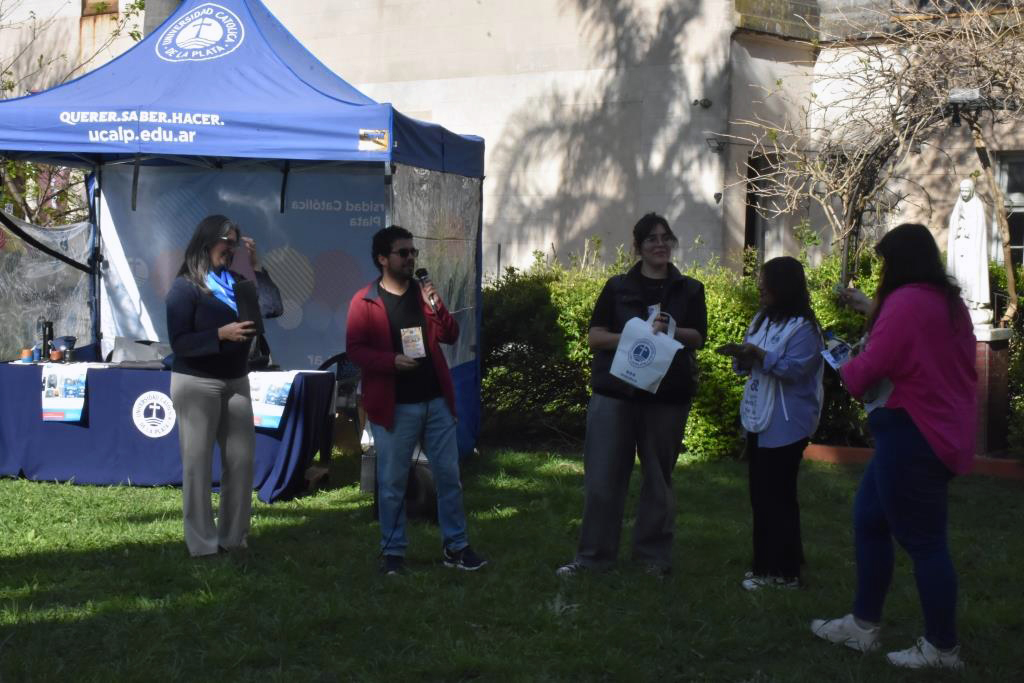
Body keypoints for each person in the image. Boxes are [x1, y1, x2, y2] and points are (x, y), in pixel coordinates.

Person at [812, 223, 976, 671]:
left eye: (884, 261)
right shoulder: (946, 302)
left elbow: (864, 373)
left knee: (924, 542)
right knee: (869, 519)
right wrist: (872, 312)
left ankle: (942, 648)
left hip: (912, 434)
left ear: (898, 263)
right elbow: (915, 345)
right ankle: (862, 626)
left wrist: (846, 364)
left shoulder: (906, 303)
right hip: (936, 429)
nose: (881, 270)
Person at [557, 212, 707, 578]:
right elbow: (595, 338)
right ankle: (593, 558)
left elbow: (699, 337)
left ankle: (652, 558)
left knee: (658, 479)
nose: (660, 244)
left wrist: (669, 329)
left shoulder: (689, 289)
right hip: (616, 395)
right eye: (651, 239)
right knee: (603, 479)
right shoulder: (617, 287)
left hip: (666, 398)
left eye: (665, 238)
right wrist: (637, 334)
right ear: (638, 247)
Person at [346, 225, 486, 575]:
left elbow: (451, 336)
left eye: (413, 253)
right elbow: (356, 350)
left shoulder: (423, 295)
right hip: (395, 407)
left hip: (436, 402)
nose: (411, 259)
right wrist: (390, 361)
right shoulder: (366, 301)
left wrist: (436, 304)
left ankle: (456, 547)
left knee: (449, 478)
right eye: (403, 253)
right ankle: (393, 554)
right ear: (382, 259)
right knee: (392, 482)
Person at [166, 214, 282, 557]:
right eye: (225, 242)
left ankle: (233, 538)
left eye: (235, 243)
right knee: (198, 465)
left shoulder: (237, 283)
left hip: (236, 380)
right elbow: (180, 342)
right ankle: (202, 544)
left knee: (241, 462)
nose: (230, 249)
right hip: (196, 383)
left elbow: (273, 307)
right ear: (206, 242)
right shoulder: (186, 287)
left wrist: (256, 268)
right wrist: (220, 334)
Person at [718, 256, 823, 591]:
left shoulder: (805, 328)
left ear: (784, 287)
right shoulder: (763, 319)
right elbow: (749, 367)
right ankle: (764, 565)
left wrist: (762, 356)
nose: (760, 288)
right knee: (761, 496)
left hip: (787, 423)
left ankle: (785, 572)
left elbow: (797, 370)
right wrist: (742, 356)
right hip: (759, 418)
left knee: (779, 497)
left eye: (766, 282)